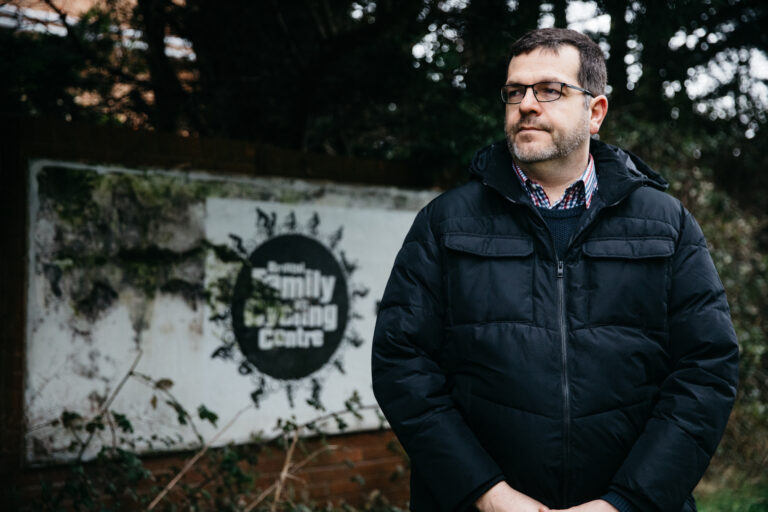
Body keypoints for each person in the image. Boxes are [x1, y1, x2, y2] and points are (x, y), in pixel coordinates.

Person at [371, 28, 738, 512]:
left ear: (596, 112)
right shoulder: (445, 223)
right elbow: (403, 365)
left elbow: (706, 370)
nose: (526, 104)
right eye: (515, 91)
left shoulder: (666, 224)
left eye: (549, 90)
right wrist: (487, 494)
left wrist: (625, 502)